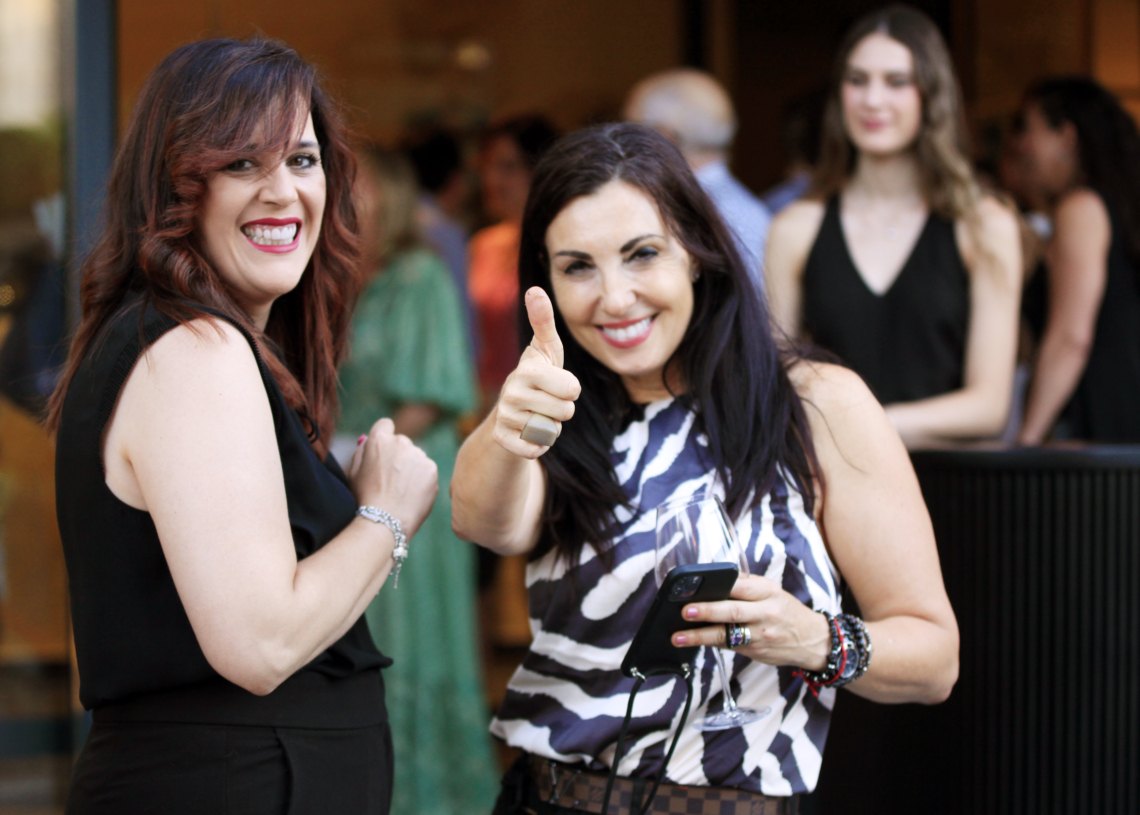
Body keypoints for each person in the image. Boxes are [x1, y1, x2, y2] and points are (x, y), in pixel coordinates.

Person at [451, 123, 958, 812]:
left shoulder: (813, 402)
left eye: (641, 254)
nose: (615, 297)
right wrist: (510, 426)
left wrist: (814, 638)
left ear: (695, 251)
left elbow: (933, 658)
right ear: (545, 280)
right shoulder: (557, 412)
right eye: (578, 267)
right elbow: (485, 521)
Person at [46, 38, 439, 814]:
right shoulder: (195, 347)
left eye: (301, 159)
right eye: (240, 165)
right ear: (173, 188)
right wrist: (388, 511)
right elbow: (260, 644)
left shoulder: (195, 342)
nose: (282, 192)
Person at [765, 5, 1022, 449]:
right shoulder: (795, 228)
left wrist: (863, 424)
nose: (873, 100)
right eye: (857, 79)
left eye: (897, 81)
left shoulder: (984, 225)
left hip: (956, 491)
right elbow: (774, 387)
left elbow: (989, 407)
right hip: (833, 488)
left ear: (932, 93)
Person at [337, 147, 498, 815]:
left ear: (393, 197)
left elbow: (431, 393)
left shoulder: (419, 271)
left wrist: (358, 449)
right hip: (345, 478)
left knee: (412, 644)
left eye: (357, 190)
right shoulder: (341, 275)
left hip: (407, 473)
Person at [1014, 76, 1140, 443]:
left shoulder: (1081, 208)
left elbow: (1071, 338)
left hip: (1099, 425)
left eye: (1028, 128)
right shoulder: (1120, 207)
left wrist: (1027, 441)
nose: (1021, 144)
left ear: (1066, 138)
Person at [625, 69, 771, 286]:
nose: (621, 147)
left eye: (631, 133)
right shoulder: (748, 211)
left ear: (664, 138)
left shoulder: (700, 215)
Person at [469, 115, 559, 412]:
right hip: (489, 398)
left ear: (539, 168)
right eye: (488, 166)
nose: (492, 179)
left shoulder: (559, 245)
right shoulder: (484, 244)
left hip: (547, 396)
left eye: (508, 167)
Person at [405, 128, 478, 358]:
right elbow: (459, 309)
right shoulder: (445, 232)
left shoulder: (401, 221)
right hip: (438, 356)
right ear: (455, 179)